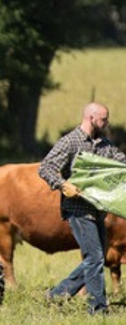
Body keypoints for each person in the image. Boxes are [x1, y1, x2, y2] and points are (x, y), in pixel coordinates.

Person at [38, 102, 125, 314]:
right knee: (95, 257)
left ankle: (57, 294)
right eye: (103, 119)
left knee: (96, 257)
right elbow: (46, 167)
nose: (107, 123)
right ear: (91, 118)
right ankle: (97, 309)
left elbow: (121, 163)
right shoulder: (70, 142)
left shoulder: (103, 144)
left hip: (97, 210)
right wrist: (62, 184)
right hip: (77, 209)